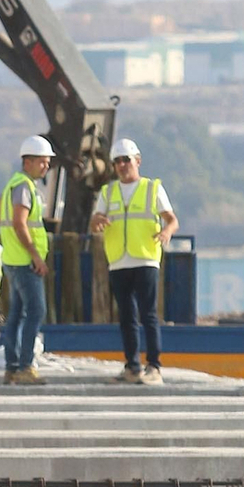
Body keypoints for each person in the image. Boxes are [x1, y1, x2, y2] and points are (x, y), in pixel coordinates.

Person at [89, 139, 177, 387]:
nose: (121, 165)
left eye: (125, 160)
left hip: (146, 257)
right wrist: (97, 222)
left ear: (137, 160)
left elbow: (171, 219)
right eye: (117, 161)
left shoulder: (152, 188)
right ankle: (132, 366)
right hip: (119, 260)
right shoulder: (108, 192)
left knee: (148, 314)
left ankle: (154, 366)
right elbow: (96, 219)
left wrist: (167, 232)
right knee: (126, 315)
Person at [0, 137, 52, 386]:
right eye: (42, 162)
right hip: (25, 261)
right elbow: (19, 222)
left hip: (13, 259)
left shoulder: (13, 186)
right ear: (28, 162)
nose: (46, 167)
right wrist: (35, 255)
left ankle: (12, 367)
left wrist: (9, 237)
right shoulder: (24, 187)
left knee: (16, 314)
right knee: (36, 310)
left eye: (48, 162)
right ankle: (25, 366)